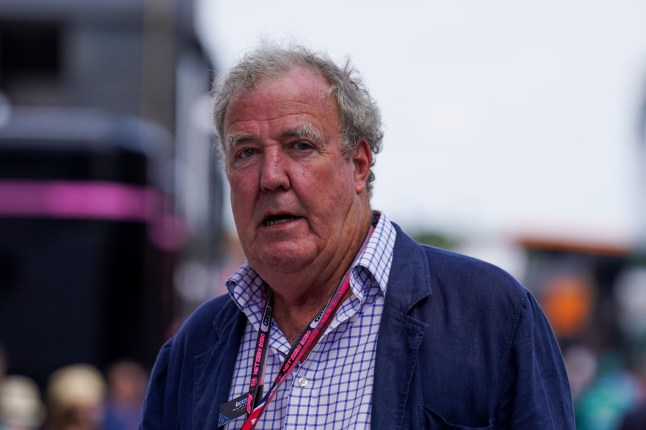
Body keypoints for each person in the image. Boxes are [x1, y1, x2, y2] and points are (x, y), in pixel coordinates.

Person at [140, 43, 575, 429]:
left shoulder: (489, 314)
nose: (270, 177)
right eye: (247, 152)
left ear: (359, 165)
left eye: (300, 146)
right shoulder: (195, 347)